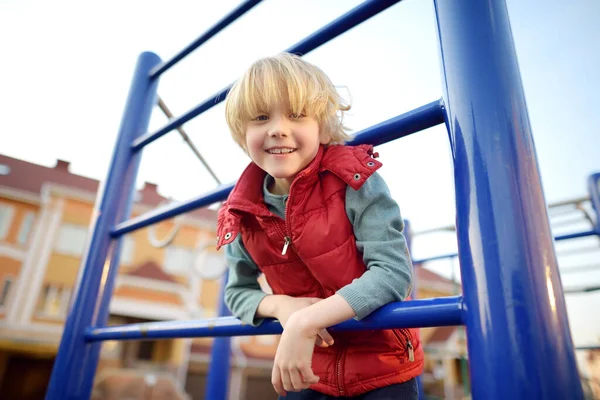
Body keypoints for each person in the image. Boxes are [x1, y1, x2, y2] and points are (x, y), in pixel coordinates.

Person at [216, 52, 423, 399]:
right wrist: (281, 307)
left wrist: (305, 321)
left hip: (383, 367)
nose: (278, 128)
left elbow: (392, 273)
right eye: (261, 117)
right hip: (306, 371)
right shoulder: (242, 211)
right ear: (242, 133)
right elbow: (237, 291)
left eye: (297, 115)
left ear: (322, 127)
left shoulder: (355, 181)